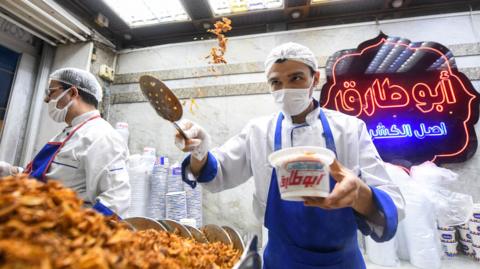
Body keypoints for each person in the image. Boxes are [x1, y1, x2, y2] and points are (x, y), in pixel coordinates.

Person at [175, 42, 405, 268]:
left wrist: (361, 195)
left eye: (296, 78)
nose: (285, 89)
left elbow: (392, 202)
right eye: (276, 82)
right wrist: (199, 151)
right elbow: (217, 173)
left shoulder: (350, 128)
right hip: (281, 259)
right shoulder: (258, 131)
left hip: (342, 260)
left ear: (314, 79)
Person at [0, 68, 130, 216]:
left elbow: (116, 200)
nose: (47, 99)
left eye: (51, 92)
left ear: (73, 93)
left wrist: (80, 232)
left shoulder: (102, 136)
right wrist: (12, 172)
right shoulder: (67, 133)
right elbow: (49, 179)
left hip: (64, 232)